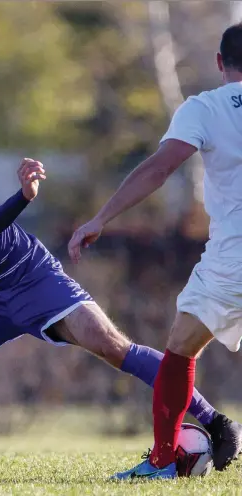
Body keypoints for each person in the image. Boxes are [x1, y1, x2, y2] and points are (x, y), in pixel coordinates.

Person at [0, 122, 239, 479]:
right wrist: (23, 197)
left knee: (114, 346)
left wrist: (18, 193)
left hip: (31, 275)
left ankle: (216, 422)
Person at [68, 22, 242, 480]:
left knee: (180, 351)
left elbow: (160, 168)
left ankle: (165, 460)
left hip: (235, 257)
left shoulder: (203, 108)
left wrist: (100, 218)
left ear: (220, 62)